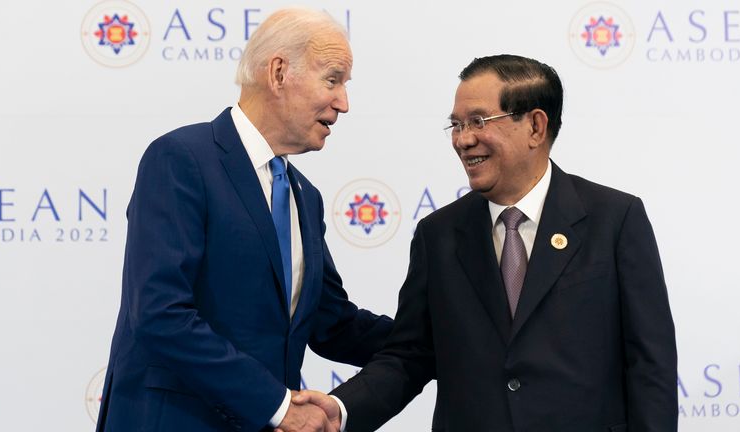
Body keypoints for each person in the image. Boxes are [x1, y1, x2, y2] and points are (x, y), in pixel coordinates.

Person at [295, 54, 678, 431]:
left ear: (535, 127)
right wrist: (341, 409)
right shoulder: (438, 234)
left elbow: (650, 363)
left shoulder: (614, 219)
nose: (463, 140)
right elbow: (410, 356)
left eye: (478, 121)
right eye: (456, 125)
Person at [95, 8, 393, 432]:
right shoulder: (181, 159)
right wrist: (277, 405)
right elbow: (160, 313)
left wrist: (439, 342)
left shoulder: (305, 196)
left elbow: (332, 324)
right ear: (278, 73)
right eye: (333, 79)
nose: (344, 102)